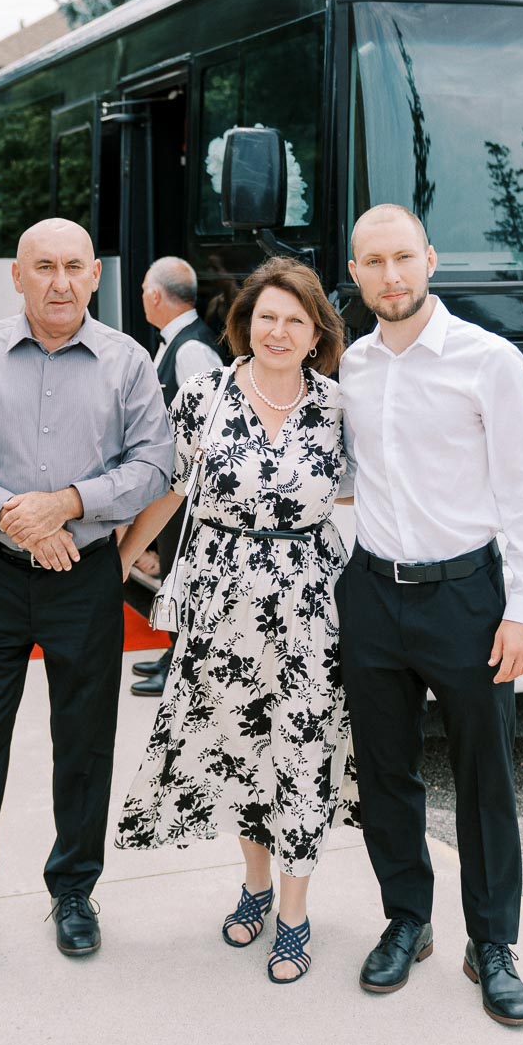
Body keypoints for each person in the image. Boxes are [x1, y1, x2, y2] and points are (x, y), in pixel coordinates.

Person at [0, 218, 173, 976]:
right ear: (16, 276)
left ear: (95, 277)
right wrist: (15, 517)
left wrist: (69, 503)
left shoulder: (127, 363)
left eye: (74, 267)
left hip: (84, 579)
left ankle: (75, 893)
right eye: (43, 266)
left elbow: (155, 464)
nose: (60, 282)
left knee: (84, 742)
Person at [336, 204, 523, 1026]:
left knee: (484, 775)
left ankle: (492, 942)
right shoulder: (352, 367)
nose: (390, 276)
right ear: (353, 274)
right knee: (385, 770)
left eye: (403, 258)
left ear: (430, 258)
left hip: (468, 596)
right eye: (373, 263)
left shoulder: (488, 360)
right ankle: (406, 919)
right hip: (373, 594)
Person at [115, 257, 352, 985]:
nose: (278, 330)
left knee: (303, 754)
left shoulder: (340, 406)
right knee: (241, 751)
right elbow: (168, 486)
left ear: (317, 334)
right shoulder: (205, 394)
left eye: (295, 319)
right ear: (244, 322)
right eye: (266, 316)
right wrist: (118, 563)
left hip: (311, 609)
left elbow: (372, 500)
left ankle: (293, 912)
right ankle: (253, 885)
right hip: (224, 611)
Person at [129, 257, 223, 697]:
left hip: (189, 495)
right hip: (174, 489)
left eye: (144, 288)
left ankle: (183, 668)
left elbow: (211, 426)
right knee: (172, 576)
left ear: (154, 295)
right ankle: (173, 654)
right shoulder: (175, 342)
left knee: (183, 577)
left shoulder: (192, 349)